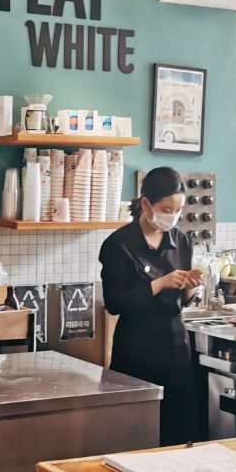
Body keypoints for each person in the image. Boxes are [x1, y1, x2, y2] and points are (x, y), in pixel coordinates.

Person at [99, 167, 202, 446]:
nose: (173, 216)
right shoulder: (119, 244)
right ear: (146, 204)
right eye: (166, 209)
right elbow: (114, 303)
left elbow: (182, 301)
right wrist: (159, 284)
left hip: (175, 348)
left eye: (178, 210)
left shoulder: (181, 241)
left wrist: (190, 286)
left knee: (178, 434)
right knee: (135, 435)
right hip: (136, 351)